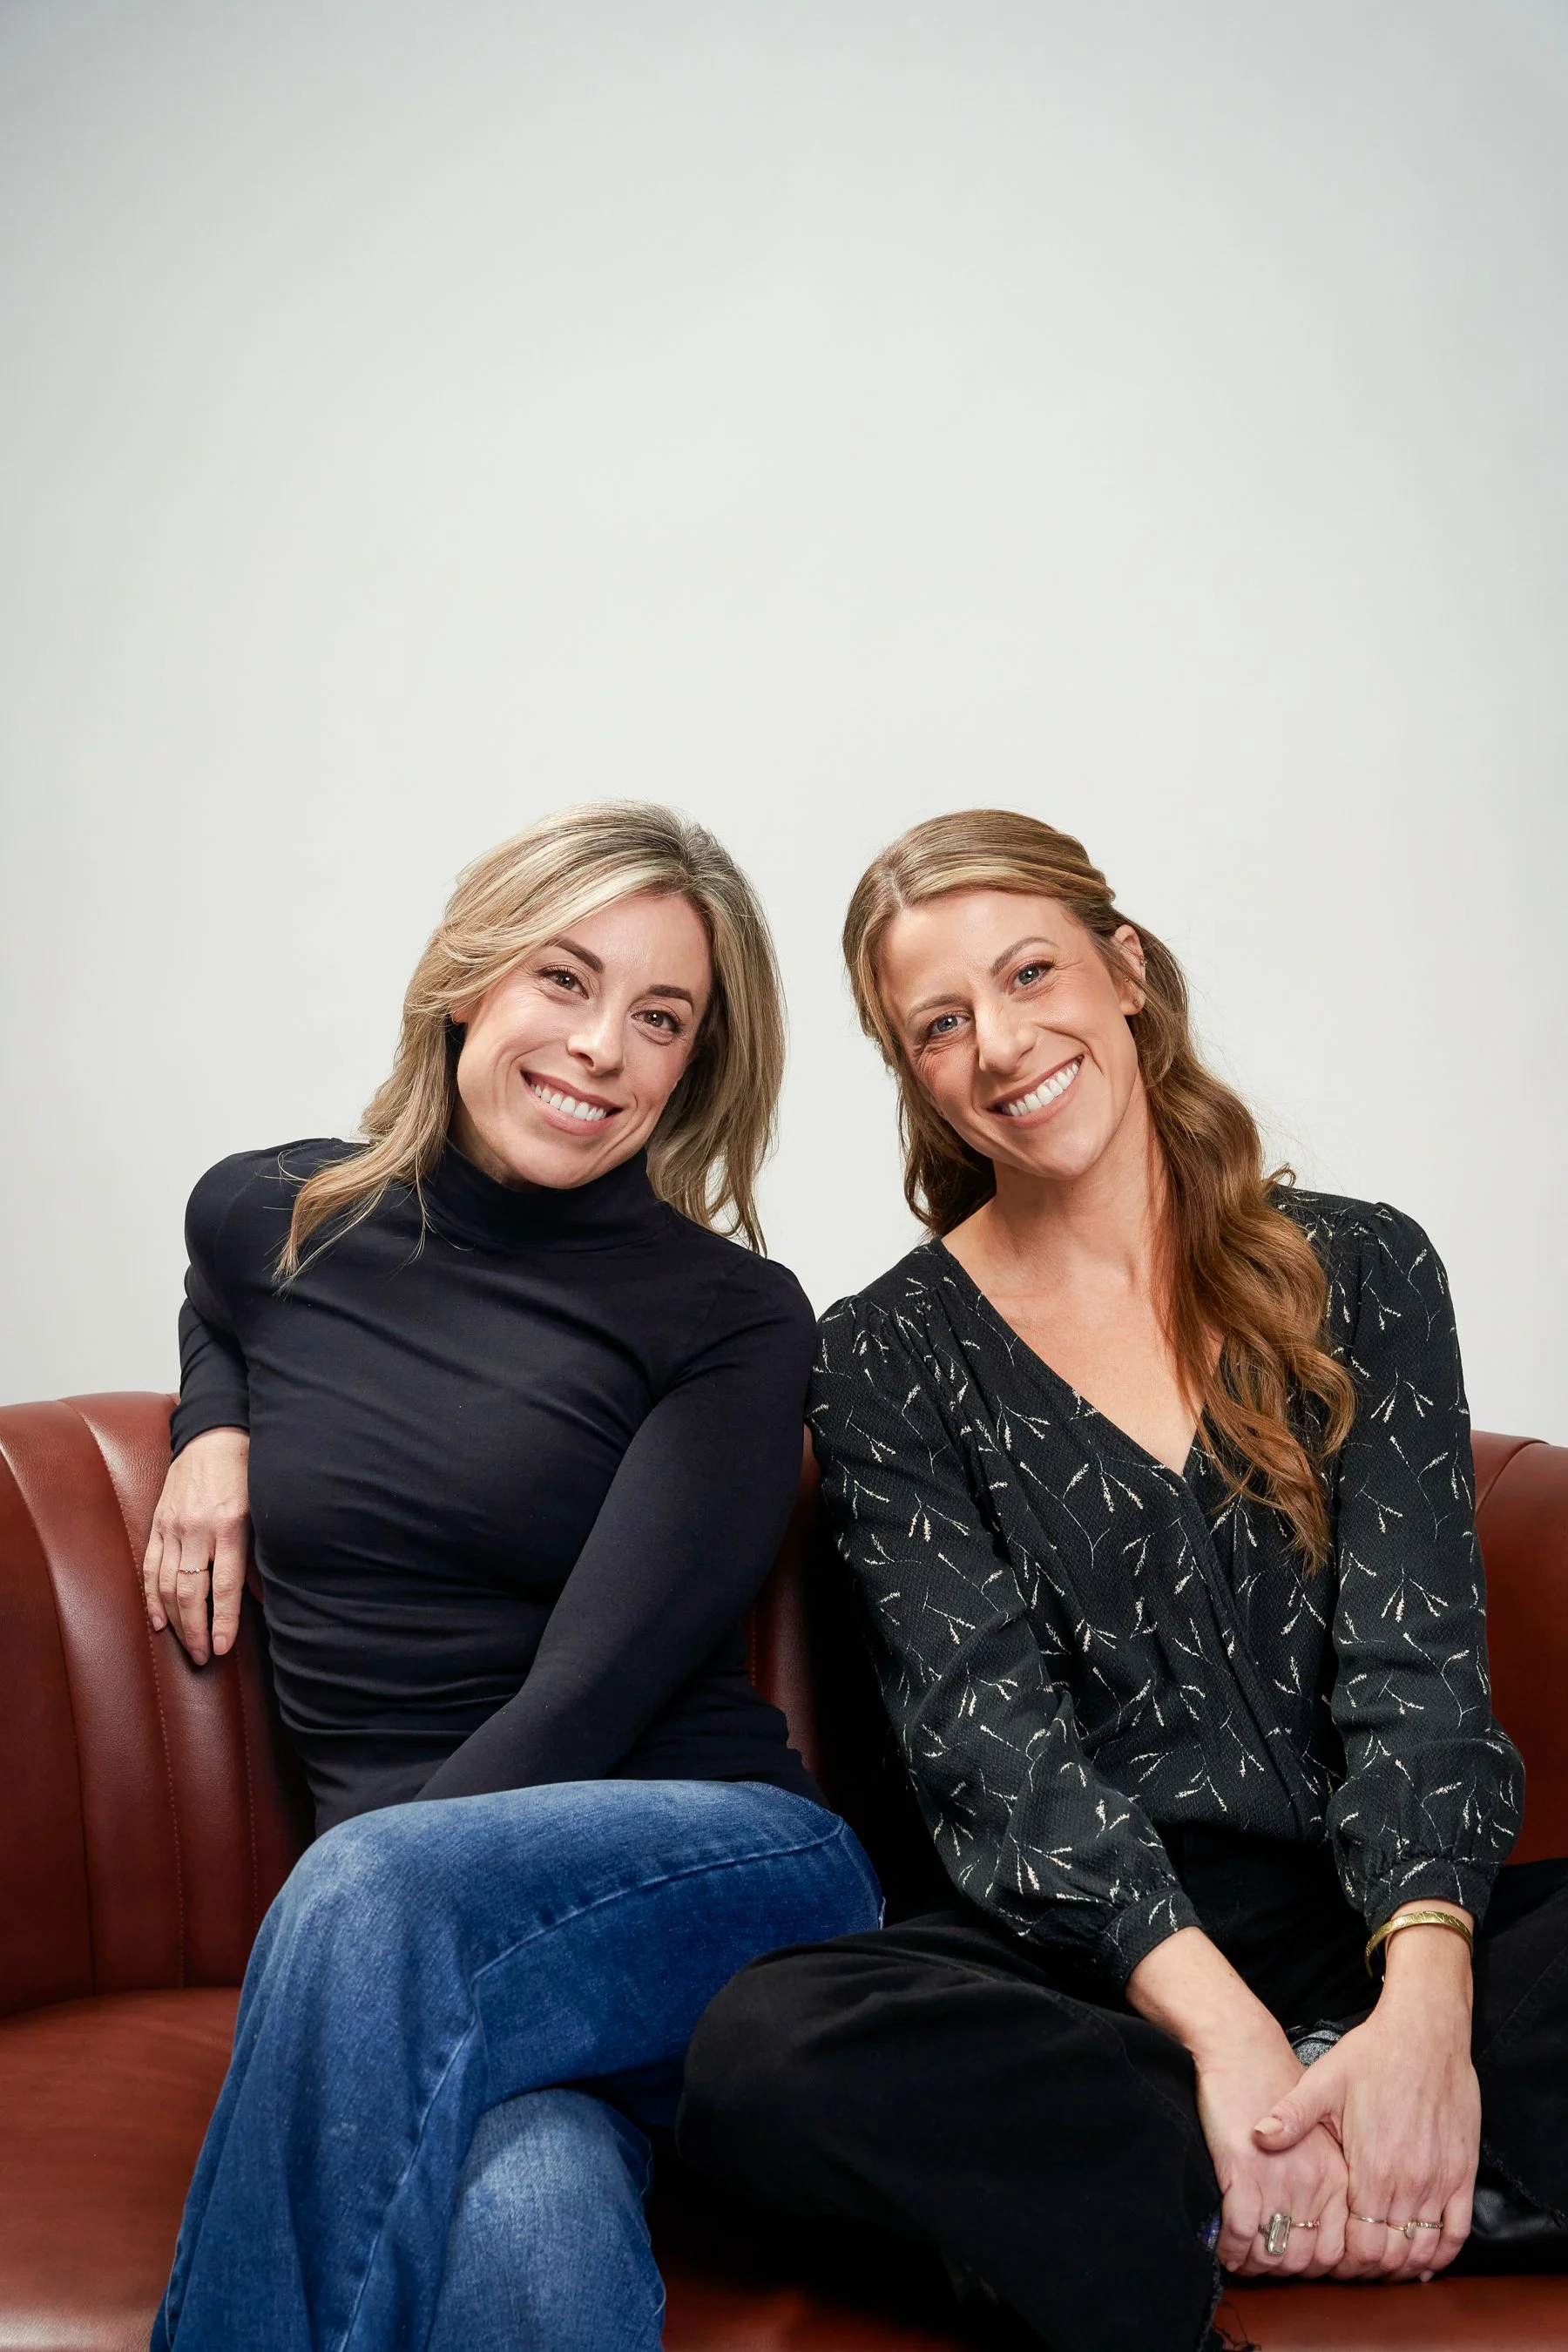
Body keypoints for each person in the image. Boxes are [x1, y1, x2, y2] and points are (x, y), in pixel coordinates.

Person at [678, 808, 1566, 2352]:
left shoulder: (1366, 1267)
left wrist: (1424, 2011)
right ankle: (1324, 2177)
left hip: (1373, 1917)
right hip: (1092, 1974)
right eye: (940, 1024)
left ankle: (1285, 2163)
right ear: (917, 1075)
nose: (1002, 1042)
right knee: (763, 2054)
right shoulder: (884, 1353)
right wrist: (1224, 2036)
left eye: (1031, 973)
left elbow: (1419, 1674)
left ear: (1129, 970)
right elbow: (991, 1750)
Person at [140, 803, 882, 2352]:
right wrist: (213, 1428)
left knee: (369, 1889)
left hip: (711, 1873)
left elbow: (588, 1698)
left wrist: (353, 1962)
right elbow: (221, 1291)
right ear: (471, 982)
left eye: (660, 1018)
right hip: (443, 1956)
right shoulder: (277, 1213)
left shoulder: (732, 1317)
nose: (602, 1044)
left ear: (692, 1069)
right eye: (565, 978)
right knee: (531, 2224)